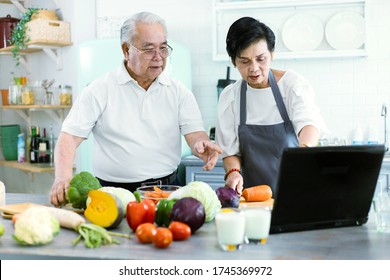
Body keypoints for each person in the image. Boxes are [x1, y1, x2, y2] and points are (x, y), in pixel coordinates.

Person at [50, 12, 222, 207]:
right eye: (149, 50)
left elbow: (195, 134)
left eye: (163, 48)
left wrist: (202, 145)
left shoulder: (178, 91)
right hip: (113, 194)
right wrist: (62, 177)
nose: (158, 57)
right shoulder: (99, 89)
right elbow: (69, 137)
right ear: (126, 50)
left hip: (166, 191)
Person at [215, 17, 328, 196]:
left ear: (272, 54)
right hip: (253, 197)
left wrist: (304, 151)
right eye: (244, 62)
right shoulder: (231, 97)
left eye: (261, 59)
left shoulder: (292, 85)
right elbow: (230, 150)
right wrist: (233, 173)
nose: (254, 68)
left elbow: (308, 123)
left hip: (296, 191)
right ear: (233, 61)